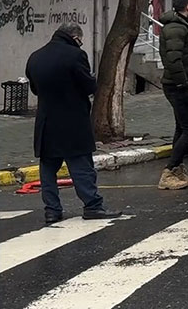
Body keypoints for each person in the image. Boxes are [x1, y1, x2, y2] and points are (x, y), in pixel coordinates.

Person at [26, 23, 122, 224]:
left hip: (46, 122)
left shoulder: (35, 57)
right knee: (80, 166)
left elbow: (35, 89)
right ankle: (92, 206)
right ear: (75, 38)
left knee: (48, 168)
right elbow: (89, 86)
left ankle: (52, 210)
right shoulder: (75, 55)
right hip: (72, 120)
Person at [156, 0, 188, 190]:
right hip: (178, 86)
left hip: (179, 84)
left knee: (181, 128)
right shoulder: (176, 28)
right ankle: (169, 171)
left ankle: (177, 170)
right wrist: (184, 83)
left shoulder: (180, 26)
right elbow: (174, 60)